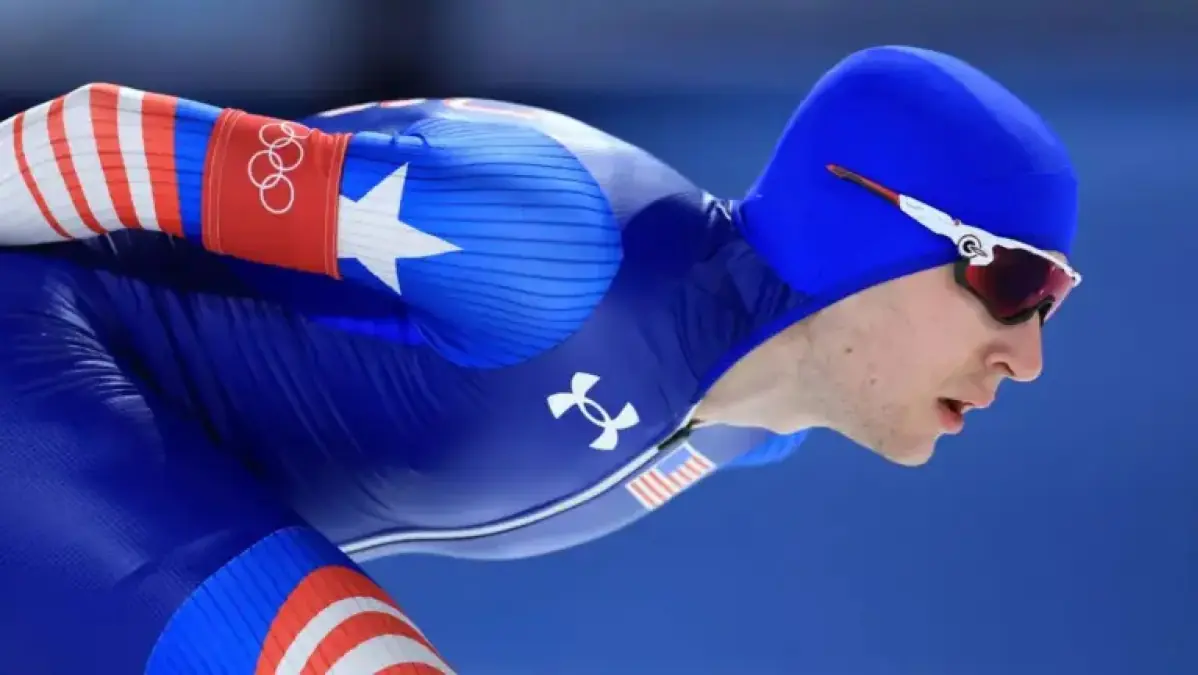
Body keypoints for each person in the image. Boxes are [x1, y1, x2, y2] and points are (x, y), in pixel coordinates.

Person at [0, 45, 1080, 674]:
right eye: (1013, 283)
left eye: (1053, 304)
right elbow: (101, 142)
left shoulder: (752, 431)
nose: (1027, 358)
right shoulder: (557, 242)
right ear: (868, 222)